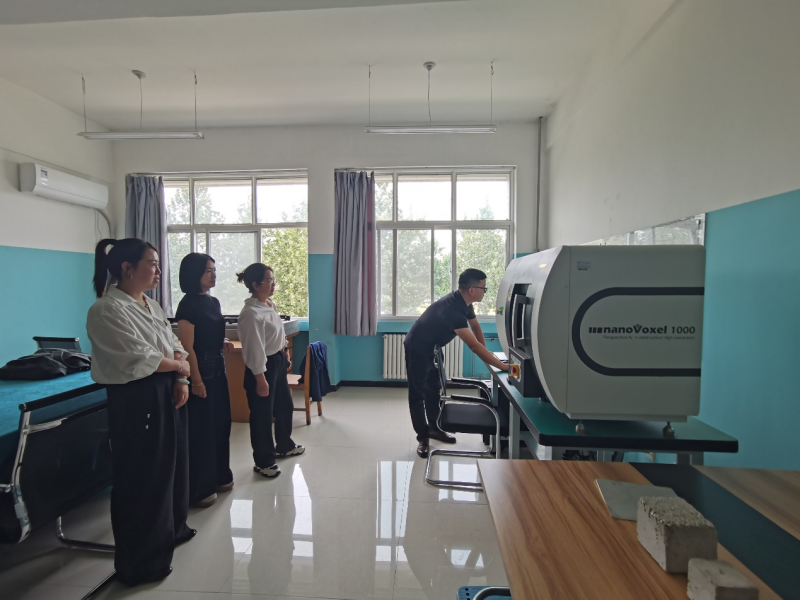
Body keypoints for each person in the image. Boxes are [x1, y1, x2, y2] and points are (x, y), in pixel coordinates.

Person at [86, 238, 195, 587]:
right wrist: (179, 367)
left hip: (166, 388)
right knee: (142, 476)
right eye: (152, 263)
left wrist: (181, 377)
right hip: (136, 396)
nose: (159, 271)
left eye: (159, 263)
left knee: (172, 466)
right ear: (126, 268)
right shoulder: (107, 310)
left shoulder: (151, 304)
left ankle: (171, 532)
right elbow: (140, 358)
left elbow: (173, 344)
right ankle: (141, 563)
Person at [404, 268, 509, 459]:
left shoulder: (464, 303)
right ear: (472, 290)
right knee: (418, 393)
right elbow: (473, 346)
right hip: (417, 347)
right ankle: (423, 437)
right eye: (484, 288)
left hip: (433, 346)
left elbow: (475, 327)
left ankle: (434, 427)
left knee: (433, 388)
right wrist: (502, 366)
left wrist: (488, 355)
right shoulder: (453, 310)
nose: (485, 292)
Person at [175, 253, 235, 508]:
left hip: (218, 364)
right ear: (194, 274)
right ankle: (201, 487)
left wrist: (222, 340)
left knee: (221, 422)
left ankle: (221, 475)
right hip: (202, 367)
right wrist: (196, 382)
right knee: (202, 428)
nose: (214, 274)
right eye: (208, 270)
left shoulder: (213, 301)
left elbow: (209, 332)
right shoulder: (187, 305)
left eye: (214, 270)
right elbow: (188, 347)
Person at [236, 263, 304, 478]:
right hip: (261, 367)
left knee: (284, 406)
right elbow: (253, 349)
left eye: (273, 280)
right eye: (269, 281)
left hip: (277, 361)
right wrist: (260, 379)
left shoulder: (269, 305)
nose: (273, 284)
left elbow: (278, 333)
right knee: (262, 415)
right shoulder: (250, 314)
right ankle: (263, 461)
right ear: (255, 285)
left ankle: (284, 445)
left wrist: (285, 350)